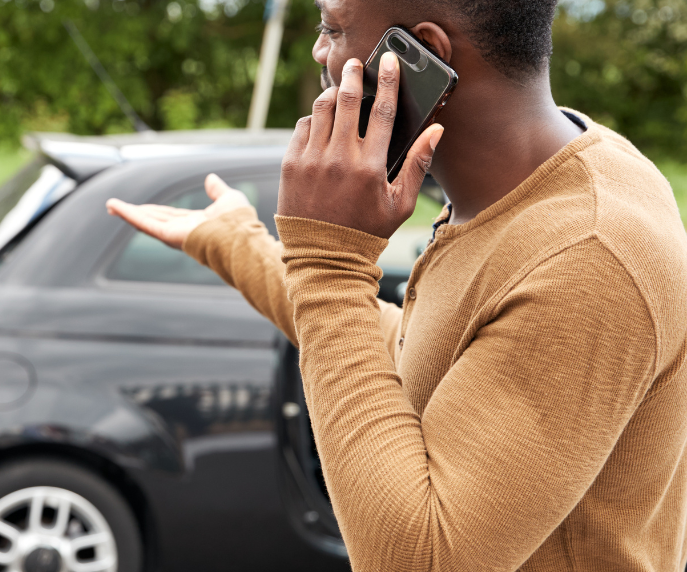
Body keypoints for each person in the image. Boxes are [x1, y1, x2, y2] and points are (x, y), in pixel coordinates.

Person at [106, 0, 687, 570]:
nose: (319, 51)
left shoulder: (588, 254)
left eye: (333, 28)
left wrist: (331, 261)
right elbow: (424, 355)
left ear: (422, 52)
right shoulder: (550, 183)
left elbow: (419, 559)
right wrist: (238, 244)